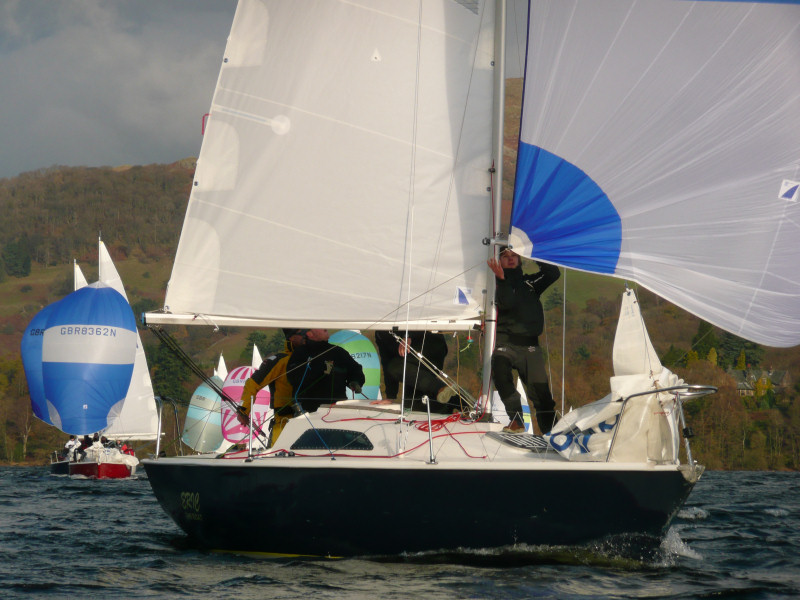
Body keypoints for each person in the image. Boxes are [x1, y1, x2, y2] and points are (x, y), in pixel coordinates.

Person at [488, 246, 560, 434]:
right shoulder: (493, 285)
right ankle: (516, 420)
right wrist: (502, 279)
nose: (510, 259)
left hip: (530, 346)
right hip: (506, 343)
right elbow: (507, 303)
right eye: (505, 256)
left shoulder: (530, 283)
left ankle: (551, 432)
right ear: (498, 261)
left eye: (514, 255)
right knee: (501, 373)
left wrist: (532, 251)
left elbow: (553, 273)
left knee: (541, 393)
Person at [240, 328, 307, 446]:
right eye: (302, 334)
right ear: (291, 338)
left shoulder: (315, 358)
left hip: (313, 420)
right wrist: (243, 410)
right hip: (284, 423)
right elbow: (252, 384)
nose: (306, 336)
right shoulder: (278, 361)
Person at [373, 330, 457, 413]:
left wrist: (408, 335)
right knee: (410, 404)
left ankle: (441, 389)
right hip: (411, 364)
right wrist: (390, 396)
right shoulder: (380, 333)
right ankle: (454, 404)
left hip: (431, 346)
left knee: (395, 367)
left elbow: (423, 318)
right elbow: (386, 361)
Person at [286, 329, 365, 414]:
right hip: (310, 411)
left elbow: (355, 369)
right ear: (310, 334)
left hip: (338, 409)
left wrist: (355, 381)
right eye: (319, 327)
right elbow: (293, 377)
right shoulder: (300, 353)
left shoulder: (338, 351)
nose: (325, 328)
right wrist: (321, 369)